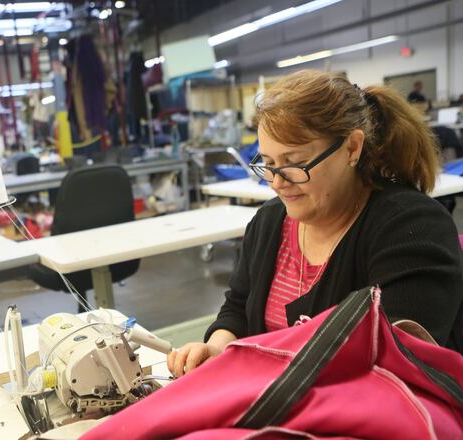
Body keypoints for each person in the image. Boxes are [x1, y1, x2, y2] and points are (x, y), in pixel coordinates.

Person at [168, 70, 463, 377]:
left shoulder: (411, 228)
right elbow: (238, 308)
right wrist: (217, 348)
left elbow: (394, 368)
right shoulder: (269, 222)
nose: (277, 182)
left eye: (294, 162)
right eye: (268, 164)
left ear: (352, 148)